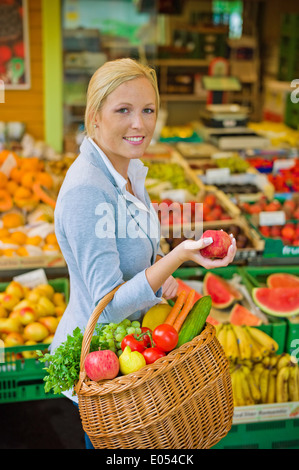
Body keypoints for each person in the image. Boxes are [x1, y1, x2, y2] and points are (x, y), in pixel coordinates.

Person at [50, 58, 237, 448]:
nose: (140, 124)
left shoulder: (129, 168)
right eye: (124, 110)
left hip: (136, 354)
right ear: (95, 116)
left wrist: (163, 272)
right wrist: (180, 254)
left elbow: (134, 253)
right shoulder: (87, 190)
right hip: (106, 369)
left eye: (148, 110)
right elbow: (110, 302)